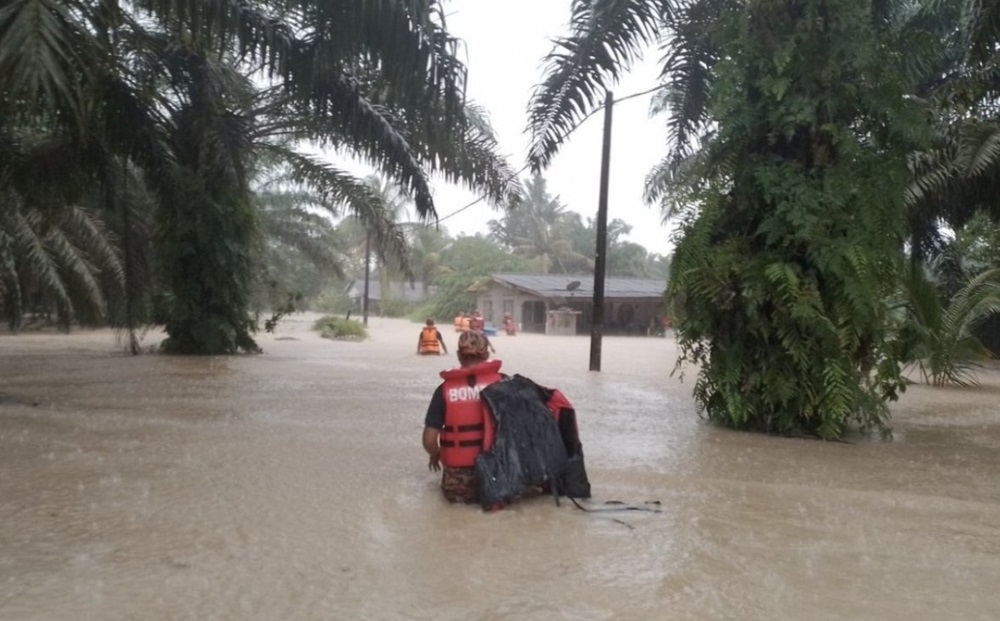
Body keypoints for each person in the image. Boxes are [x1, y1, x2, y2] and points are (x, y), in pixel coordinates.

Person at [422, 331, 503, 503]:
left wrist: (435, 454)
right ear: (487, 354)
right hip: (500, 478)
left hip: (459, 484)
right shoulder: (504, 384)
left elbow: (429, 440)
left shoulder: (444, 390)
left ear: (459, 355)